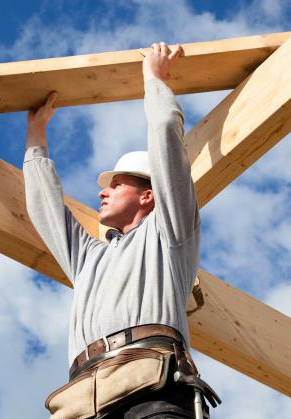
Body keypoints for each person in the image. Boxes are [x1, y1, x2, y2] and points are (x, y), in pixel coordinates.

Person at [23, 42, 219, 418]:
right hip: (85, 401)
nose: (103, 191)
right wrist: (36, 139)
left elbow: (167, 146)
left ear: (148, 195)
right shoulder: (89, 259)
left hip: (152, 390)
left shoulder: (169, 235)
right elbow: (45, 210)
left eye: (116, 184)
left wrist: (155, 80)